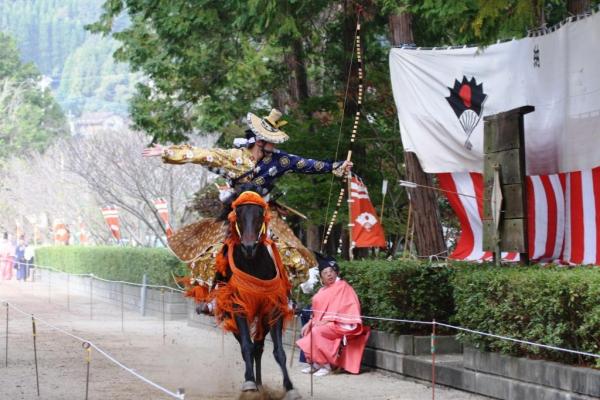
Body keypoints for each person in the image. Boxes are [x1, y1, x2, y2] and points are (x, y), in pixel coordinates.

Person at [143, 108, 352, 293]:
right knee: (212, 252)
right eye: (272, 141)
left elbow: (306, 164)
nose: (275, 145)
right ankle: (214, 295)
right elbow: (205, 154)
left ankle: (283, 294)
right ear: (260, 142)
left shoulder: (281, 160)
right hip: (236, 212)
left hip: (265, 212)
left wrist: (335, 166)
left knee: (291, 252)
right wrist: (169, 152)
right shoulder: (236, 157)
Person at [296, 253, 370, 376]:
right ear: (321, 278)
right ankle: (316, 363)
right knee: (309, 330)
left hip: (342, 323)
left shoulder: (343, 287)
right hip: (326, 323)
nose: (329, 274)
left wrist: (327, 321)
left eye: (331, 271)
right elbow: (317, 312)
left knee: (317, 331)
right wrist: (310, 322)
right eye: (325, 273)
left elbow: (347, 308)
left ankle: (326, 365)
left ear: (336, 273)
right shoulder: (322, 290)